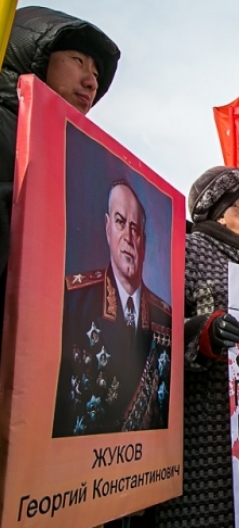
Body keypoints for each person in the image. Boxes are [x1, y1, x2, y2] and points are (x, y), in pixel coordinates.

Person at [156, 167, 239, 528]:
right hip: (207, 424)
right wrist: (203, 334)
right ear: (220, 209)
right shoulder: (189, 249)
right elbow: (157, 329)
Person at [0, 6, 120, 352]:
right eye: (77, 60)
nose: (91, 80)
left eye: (96, 72)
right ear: (33, 54)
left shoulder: (75, 157)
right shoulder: (7, 128)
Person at [53, 181, 172, 437]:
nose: (128, 238)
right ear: (107, 229)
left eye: (135, 229)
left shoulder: (166, 318)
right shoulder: (73, 301)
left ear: (144, 238)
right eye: (120, 223)